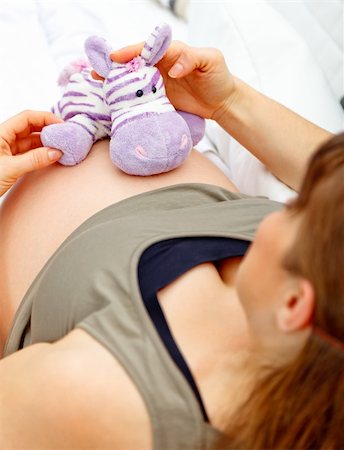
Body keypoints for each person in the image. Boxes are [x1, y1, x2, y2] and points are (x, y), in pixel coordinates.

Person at [0, 39, 343, 450]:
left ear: (293, 306)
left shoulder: (102, 395)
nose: (284, 206)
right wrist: (226, 101)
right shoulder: (311, 317)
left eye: (295, 210)